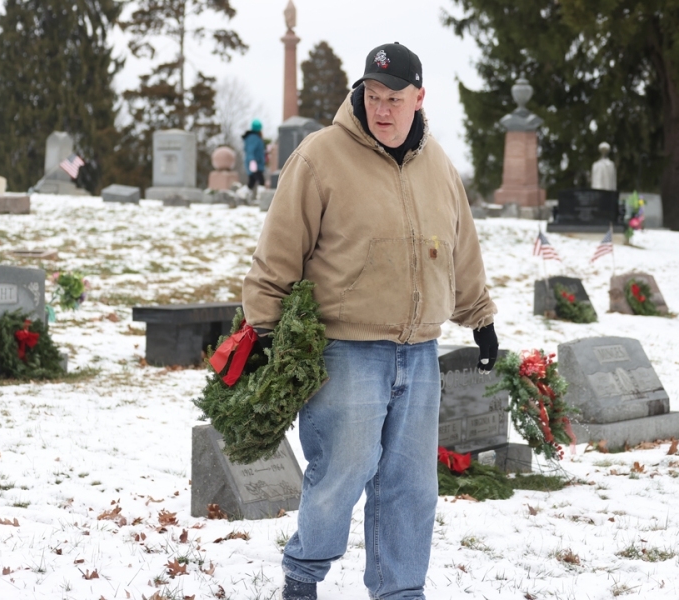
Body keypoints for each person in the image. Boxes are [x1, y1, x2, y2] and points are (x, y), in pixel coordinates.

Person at [242, 42, 498, 600]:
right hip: (346, 349)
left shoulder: (439, 165)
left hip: (420, 351)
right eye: (373, 95)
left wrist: (479, 318)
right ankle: (303, 576)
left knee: (411, 485)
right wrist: (262, 329)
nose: (381, 109)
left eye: (394, 99)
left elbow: (461, 248)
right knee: (341, 471)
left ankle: (400, 591)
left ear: (419, 99)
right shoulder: (320, 157)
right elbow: (278, 252)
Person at [242, 119, 266, 196]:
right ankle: (262, 197)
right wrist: (252, 161)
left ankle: (241, 195)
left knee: (251, 182)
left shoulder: (255, 137)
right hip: (254, 163)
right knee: (261, 180)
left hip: (256, 162)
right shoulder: (253, 138)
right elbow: (250, 150)